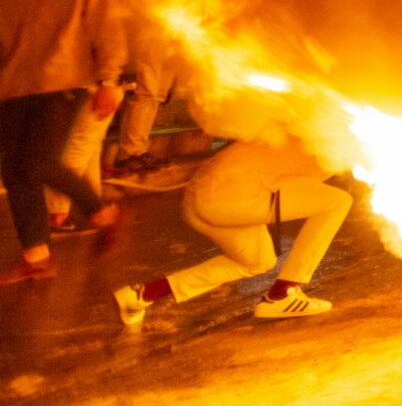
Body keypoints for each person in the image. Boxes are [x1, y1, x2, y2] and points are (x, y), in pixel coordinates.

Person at [0, 0, 129, 282]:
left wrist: (109, 81)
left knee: (37, 163)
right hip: (13, 87)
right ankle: (36, 258)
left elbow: (107, 30)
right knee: (14, 171)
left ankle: (104, 212)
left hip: (63, 83)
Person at [114, 131, 351, 326]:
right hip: (231, 196)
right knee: (337, 202)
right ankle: (284, 292)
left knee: (257, 261)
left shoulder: (309, 122)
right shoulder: (326, 135)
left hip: (203, 198)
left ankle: (142, 295)